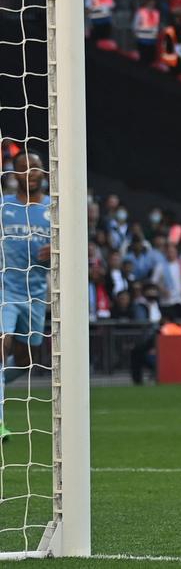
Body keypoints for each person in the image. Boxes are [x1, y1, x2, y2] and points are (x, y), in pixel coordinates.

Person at [0, 152, 51, 440]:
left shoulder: (54, 209)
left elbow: (80, 253)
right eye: (23, 168)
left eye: (35, 168)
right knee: (1, 346)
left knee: (26, 360)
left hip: (36, 294)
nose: (30, 172)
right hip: (5, 289)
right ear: (14, 175)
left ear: (44, 173)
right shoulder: (3, 206)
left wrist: (55, 254)